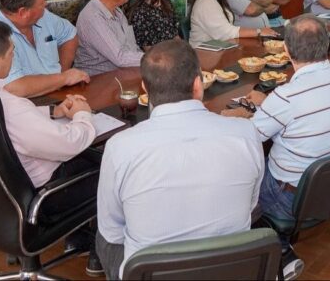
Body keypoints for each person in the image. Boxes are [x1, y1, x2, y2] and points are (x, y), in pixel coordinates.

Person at [96, 40, 263, 280]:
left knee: (103, 238)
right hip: (229, 268)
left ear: (145, 87)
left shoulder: (120, 147)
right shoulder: (246, 133)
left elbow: (112, 232)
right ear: (198, 84)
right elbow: (251, 204)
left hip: (152, 273)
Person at [0, 18, 103, 275]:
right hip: (39, 198)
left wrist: (53, 111)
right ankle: (98, 249)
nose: (14, 57)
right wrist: (82, 115)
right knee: (106, 163)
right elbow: (71, 143)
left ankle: (79, 239)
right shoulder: (11, 106)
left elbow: (11, 127)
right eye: (11, 53)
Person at [221, 15, 330, 280]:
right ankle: (282, 250)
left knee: (233, 180)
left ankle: (270, 252)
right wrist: (268, 103)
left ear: (286, 49)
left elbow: (247, 140)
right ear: (326, 45)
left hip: (290, 197)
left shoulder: (287, 96)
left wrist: (238, 116)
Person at [0, 0, 89, 97]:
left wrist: (60, 76)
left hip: (57, 93)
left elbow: (69, 34)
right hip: (25, 104)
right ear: (23, 12)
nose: (45, 5)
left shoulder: (43, 16)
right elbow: (15, 87)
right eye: (41, 4)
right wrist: (64, 78)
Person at [75, 0, 144, 76]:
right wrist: (153, 59)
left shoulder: (117, 12)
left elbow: (131, 47)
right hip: (97, 82)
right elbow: (120, 58)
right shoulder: (93, 17)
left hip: (121, 75)